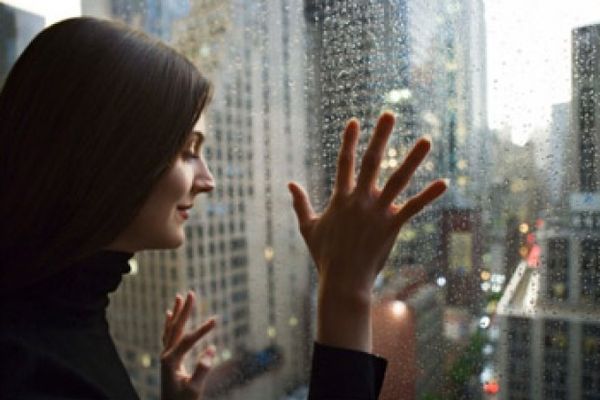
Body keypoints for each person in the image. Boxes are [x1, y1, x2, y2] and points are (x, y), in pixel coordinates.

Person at [0, 17, 446, 400]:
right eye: (189, 150)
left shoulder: (52, 315)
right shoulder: (30, 368)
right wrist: (346, 292)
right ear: (109, 152)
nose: (207, 180)